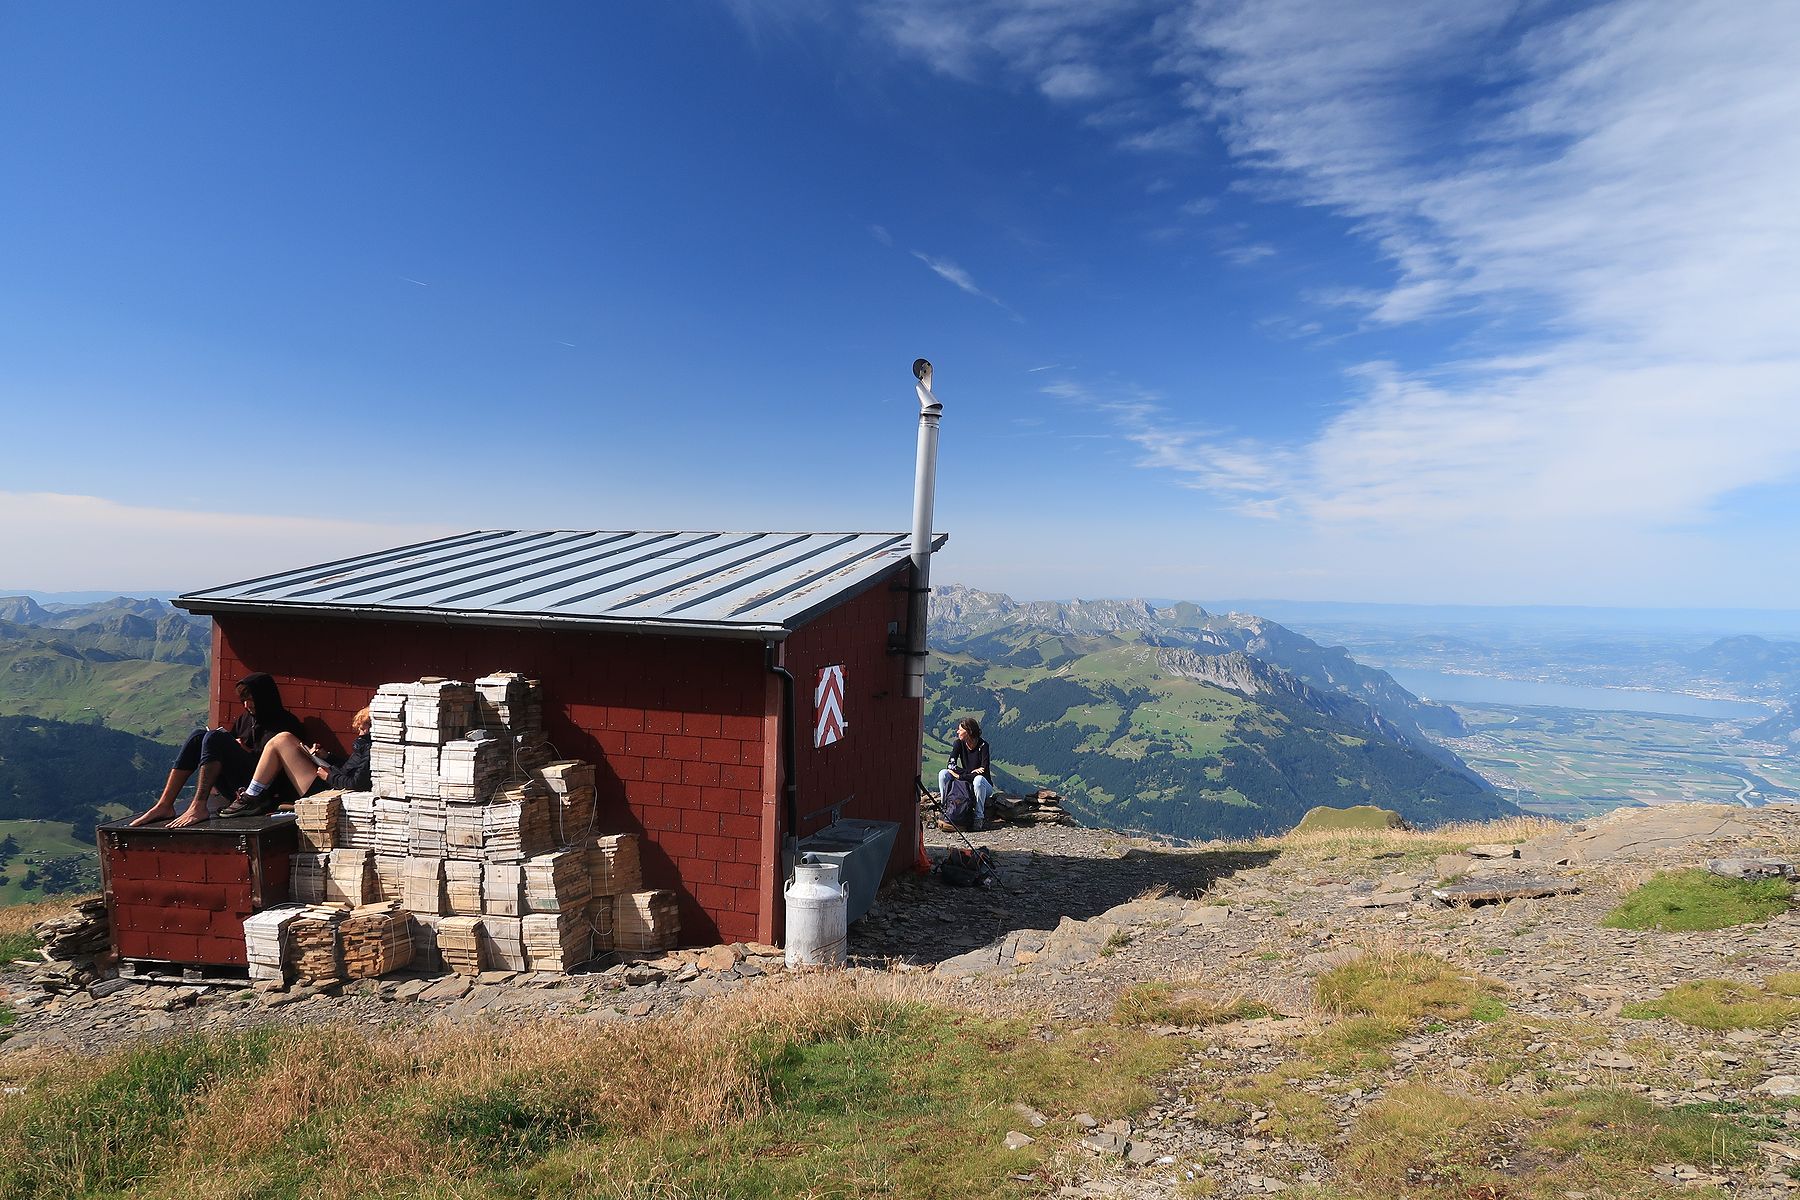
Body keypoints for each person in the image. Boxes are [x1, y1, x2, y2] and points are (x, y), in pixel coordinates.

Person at [130, 673, 305, 828]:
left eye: (251, 700)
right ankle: (165, 804)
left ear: (264, 698)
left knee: (214, 738)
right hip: (238, 790)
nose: (246, 705)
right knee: (198, 736)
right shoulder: (246, 719)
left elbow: (281, 766)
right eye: (243, 700)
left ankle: (198, 806)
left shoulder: (286, 724)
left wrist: (245, 751)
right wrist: (236, 747)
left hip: (262, 794)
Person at [216, 706, 373, 818]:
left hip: (331, 790)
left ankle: (251, 797)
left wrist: (329, 777)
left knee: (280, 740)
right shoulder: (367, 746)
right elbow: (351, 768)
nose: (359, 734)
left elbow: (358, 782)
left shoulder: (371, 748)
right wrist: (326, 757)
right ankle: (256, 795)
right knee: (287, 739)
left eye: (362, 729)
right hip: (333, 780)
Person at [937, 716, 993, 831]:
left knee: (978, 780)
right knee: (943, 773)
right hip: (967, 782)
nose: (957, 732)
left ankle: (979, 818)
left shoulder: (983, 746)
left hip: (983, 786)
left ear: (968, 732)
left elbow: (983, 770)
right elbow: (950, 765)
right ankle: (945, 808)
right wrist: (967, 773)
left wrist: (960, 775)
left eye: (960, 730)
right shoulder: (958, 744)